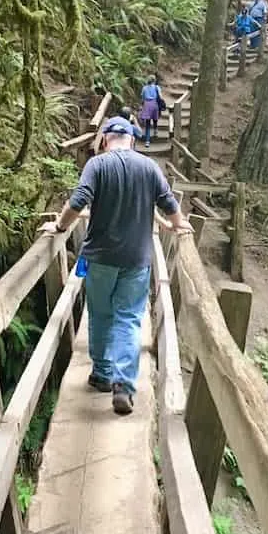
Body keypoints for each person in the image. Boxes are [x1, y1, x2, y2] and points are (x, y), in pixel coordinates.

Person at [40, 116, 193, 416]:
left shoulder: (97, 165)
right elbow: (168, 203)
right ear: (133, 140)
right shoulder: (149, 168)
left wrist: (59, 226)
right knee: (129, 318)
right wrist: (179, 225)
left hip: (100, 258)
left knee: (100, 314)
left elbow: (79, 200)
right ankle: (124, 385)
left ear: (106, 139)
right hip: (136, 259)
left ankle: (101, 374)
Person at [139, 74, 163, 147]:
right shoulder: (157, 87)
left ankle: (147, 141)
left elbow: (142, 98)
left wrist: (142, 105)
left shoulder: (144, 88)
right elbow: (161, 97)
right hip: (154, 104)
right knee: (155, 119)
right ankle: (155, 131)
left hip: (147, 105)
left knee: (148, 124)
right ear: (154, 80)